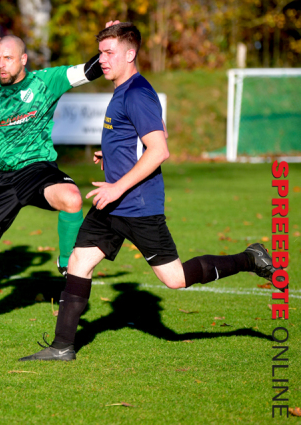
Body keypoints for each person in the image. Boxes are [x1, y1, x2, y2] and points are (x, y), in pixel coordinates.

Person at [20, 23, 278, 361]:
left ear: (130, 54)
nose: (102, 60)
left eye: (109, 53)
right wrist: (109, 153)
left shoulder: (137, 93)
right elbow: (146, 134)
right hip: (112, 205)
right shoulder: (123, 88)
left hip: (138, 205)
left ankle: (250, 258)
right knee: (79, 262)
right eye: (100, 52)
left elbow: (159, 149)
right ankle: (62, 346)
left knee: (174, 279)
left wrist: (116, 187)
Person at [0, 32, 106, 340]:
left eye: (7, 59)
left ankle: (66, 263)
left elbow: (90, 69)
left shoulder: (47, 82)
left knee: (72, 197)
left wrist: (111, 40)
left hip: (35, 169)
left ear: (23, 60)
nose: (0, 65)